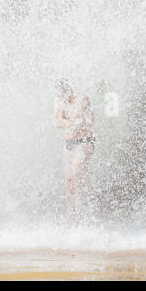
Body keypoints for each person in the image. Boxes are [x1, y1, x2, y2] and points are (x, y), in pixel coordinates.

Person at [53, 80, 94, 219]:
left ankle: (81, 211)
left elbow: (77, 121)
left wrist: (65, 120)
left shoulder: (82, 99)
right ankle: (71, 213)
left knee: (77, 175)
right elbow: (57, 121)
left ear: (69, 91)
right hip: (69, 143)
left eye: (64, 95)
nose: (62, 99)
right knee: (68, 179)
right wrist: (65, 121)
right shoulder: (58, 100)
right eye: (59, 96)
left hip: (84, 142)